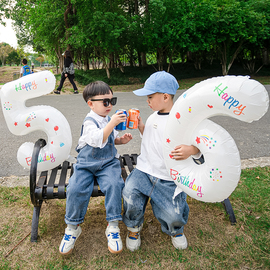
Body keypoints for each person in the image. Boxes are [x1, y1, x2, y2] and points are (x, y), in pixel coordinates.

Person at [122, 71, 200, 251]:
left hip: (168, 177)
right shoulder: (153, 116)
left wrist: (191, 150)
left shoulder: (181, 120)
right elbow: (151, 138)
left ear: (165, 96)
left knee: (173, 212)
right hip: (144, 170)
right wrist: (142, 126)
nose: (147, 101)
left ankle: (176, 229)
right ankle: (134, 227)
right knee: (130, 194)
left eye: (150, 97)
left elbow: (200, 143)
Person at [59, 81, 133, 255]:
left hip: (107, 163)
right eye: (105, 102)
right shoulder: (90, 122)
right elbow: (98, 139)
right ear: (91, 104)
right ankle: (72, 227)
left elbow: (110, 138)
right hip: (86, 164)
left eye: (112, 101)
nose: (109, 105)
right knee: (76, 187)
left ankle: (113, 226)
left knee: (115, 185)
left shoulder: (108, 119)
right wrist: (112, 123)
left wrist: (121, 140)